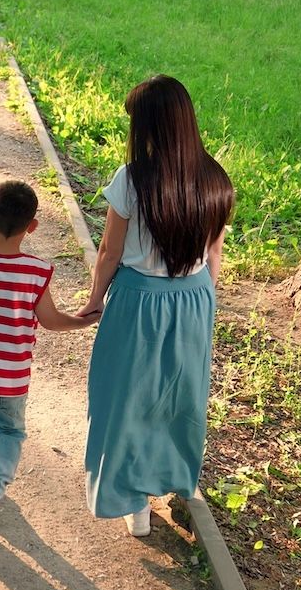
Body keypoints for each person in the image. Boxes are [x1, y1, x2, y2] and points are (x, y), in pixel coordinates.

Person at [75, 75, 234, 537]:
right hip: (194, 299)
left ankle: (133, 503)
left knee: (122, 400)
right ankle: (167, 482)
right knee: (177, 400)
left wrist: (94, 299)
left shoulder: (132, 179)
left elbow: (108, 251)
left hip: (138, 301)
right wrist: (202, 303)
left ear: (149, 127)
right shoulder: (216, 179)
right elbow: (215, 255)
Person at [0, 180, 98, 533]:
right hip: (9, 378)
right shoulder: (36, 272)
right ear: (32, 226)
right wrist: (83, 322)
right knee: (9, 433)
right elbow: (51, 321)